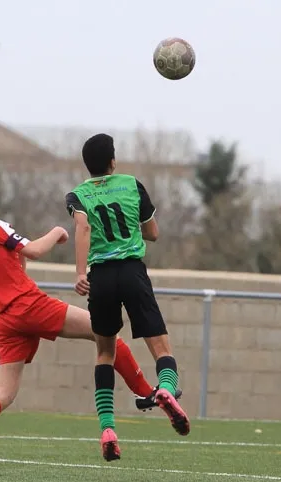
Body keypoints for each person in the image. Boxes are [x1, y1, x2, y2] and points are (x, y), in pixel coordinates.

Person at [0, 180, 161, 472]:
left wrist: (18, 255)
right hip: (29, 305)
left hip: (5, 319)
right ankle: (144, 392)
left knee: (4, 393)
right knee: (105, 332)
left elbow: (17, 262)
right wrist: (57, 232)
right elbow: (33, 251)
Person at [66, 133, 190, 455]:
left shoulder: (78, 195)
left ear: (88, 165)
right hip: (133, 273)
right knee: (160, 346)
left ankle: (108, 429)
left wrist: (80, 273)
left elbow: (83, 228)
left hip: (101, 277)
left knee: (105, 353)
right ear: (113, 161)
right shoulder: (132, 185)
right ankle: (166, 388)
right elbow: (153, 232)